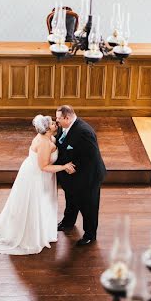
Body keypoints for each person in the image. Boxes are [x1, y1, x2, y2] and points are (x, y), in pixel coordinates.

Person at [0, 115, 75, 255]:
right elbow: (43, 166)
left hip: (41, 175)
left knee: (44, 202)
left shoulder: (49, 138)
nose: (55, 124)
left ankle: (44, 230)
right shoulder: (44, 143)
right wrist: (64, 166)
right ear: (47, 129)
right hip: (36, 177)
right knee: (35, 204)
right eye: (52, 123)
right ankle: (32, 235)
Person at [55, 105, 106, 245]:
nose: (56, 121)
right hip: (71, 178)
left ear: (67, 117)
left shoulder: (84, 132)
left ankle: (90, 234)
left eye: (58, 118)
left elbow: (91, 157)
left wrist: (72, 166)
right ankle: (68, 222)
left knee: (88, 207)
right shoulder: (64, 126)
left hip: (87, 177)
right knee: (71, 200)